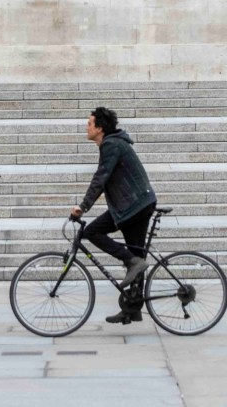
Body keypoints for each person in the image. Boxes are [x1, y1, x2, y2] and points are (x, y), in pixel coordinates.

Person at [70, 106, 158, 324]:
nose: (86, 127)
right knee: (137, 257)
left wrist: (83, 206)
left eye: (89, 124)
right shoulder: (113, 143)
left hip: (133, 205)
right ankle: (132, 308)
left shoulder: (111, 145)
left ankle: (131, 263)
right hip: (136, 204)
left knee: (92, 232)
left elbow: (101, 178)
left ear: (100, 128)